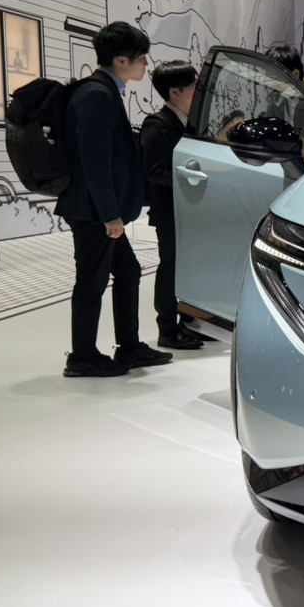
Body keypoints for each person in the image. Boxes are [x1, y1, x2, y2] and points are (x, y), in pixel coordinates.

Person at [55, 22, 173, 376]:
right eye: (141, 58)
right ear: (121, 60)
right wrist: (110, 215)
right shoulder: (97, 95)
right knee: (92, 282)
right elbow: (95, 163)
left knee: (128, 271)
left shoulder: (102, 92)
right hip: (93, 212)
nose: (146, 65)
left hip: (97, 209)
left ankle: (129, 347)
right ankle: (82, 357)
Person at [142, 61, 208, 351]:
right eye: (195, 86)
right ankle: (167, 329)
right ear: (175, 91)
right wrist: (193, 179)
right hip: (170, 211)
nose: (199, 91)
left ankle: (188, 322)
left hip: (188, 210)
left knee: (189, 267)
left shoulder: (187, 123)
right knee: (171, 267)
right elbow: (154, 170)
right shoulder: (157, 124)